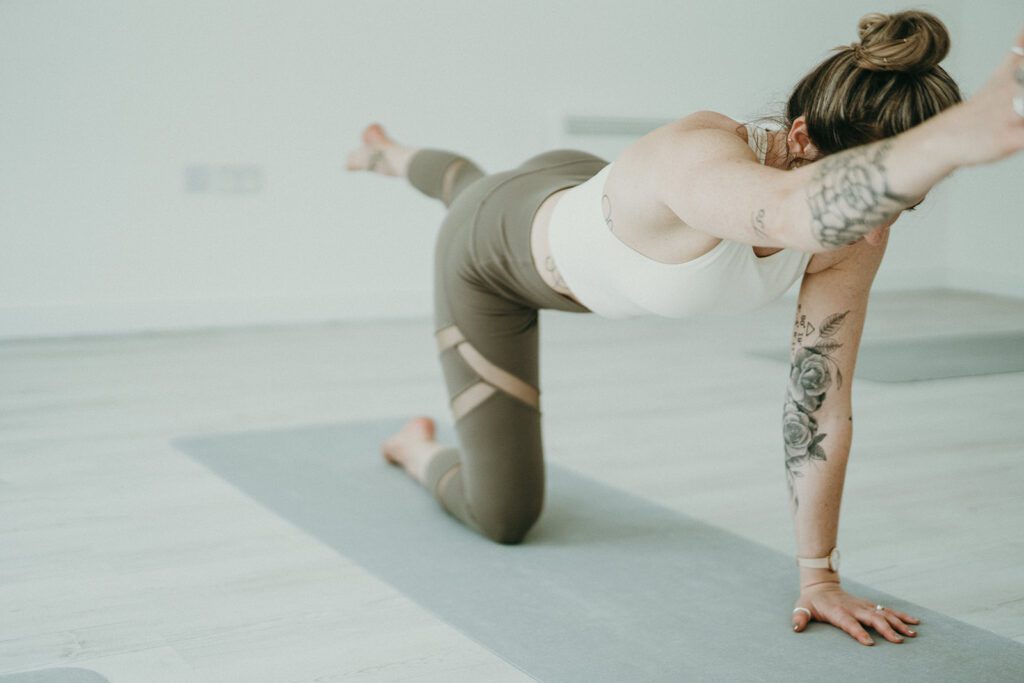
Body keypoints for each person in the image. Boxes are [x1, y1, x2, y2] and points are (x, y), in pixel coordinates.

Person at [345, 10, 1024, 647]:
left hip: (575, 187)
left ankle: (391, 153)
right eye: (879, 197)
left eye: (905, 205)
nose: (879, 228)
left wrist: (819, 575)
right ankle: (411, 443)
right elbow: (796, 210)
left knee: (487, 182)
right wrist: (961, 134)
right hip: (492, 262)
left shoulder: (858, 229)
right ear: (800, 140)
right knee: (505, 516)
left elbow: (817, 405)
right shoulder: (698, 158)